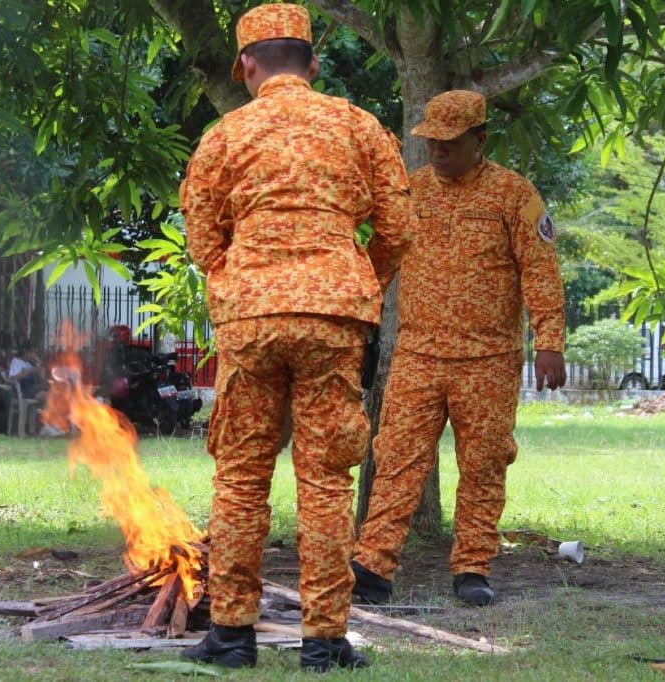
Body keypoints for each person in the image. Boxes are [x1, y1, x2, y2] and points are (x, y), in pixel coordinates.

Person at [178, 3, 413, 672]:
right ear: (312, 65)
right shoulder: (358, 127)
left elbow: (202, 236)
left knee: (242, 474)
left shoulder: (225, 135)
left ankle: (229, 636)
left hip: (251, 321)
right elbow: (398, 227)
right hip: (334, 320)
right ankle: (324, 641)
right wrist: (355, 282)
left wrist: (237, 283)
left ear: (246, 66)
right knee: (327, 478)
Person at [351, 90, 567, 608]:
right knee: (397, 458)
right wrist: (356, 317)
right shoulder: (411, 192)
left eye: (450, 143)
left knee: (484, 465)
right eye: (431, 142)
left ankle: (472, 567)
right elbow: (380, 259)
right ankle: (373, 567)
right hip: (419, 354)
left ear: (479, 140)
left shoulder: (515, 195)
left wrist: (550, 342)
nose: (438, 152)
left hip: (489, 360)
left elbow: (540, 271)